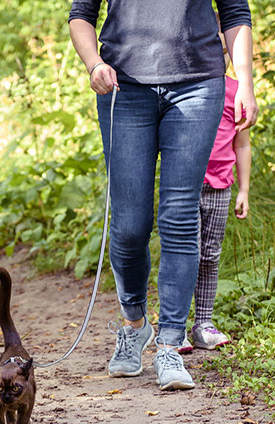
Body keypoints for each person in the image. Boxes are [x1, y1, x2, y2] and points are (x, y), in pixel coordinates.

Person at [68, 1, 257, 390]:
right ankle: (135, 324)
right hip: (124, 87)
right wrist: (93, 64)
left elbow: (236, 14)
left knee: (180, 213)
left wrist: (246, 85)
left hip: (198, 85)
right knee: (130, 224)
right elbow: (80, 16)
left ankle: (171, 343)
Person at [178, 28, 252, 353]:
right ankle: (175, 326)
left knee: (210, 254)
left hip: (221, 186)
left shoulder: (236, 92)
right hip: (187, 184)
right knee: (185, 252)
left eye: (223, 52)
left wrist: (244, 190)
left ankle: (203, 323)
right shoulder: (184, 94)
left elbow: (244, 145)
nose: (216, 58)